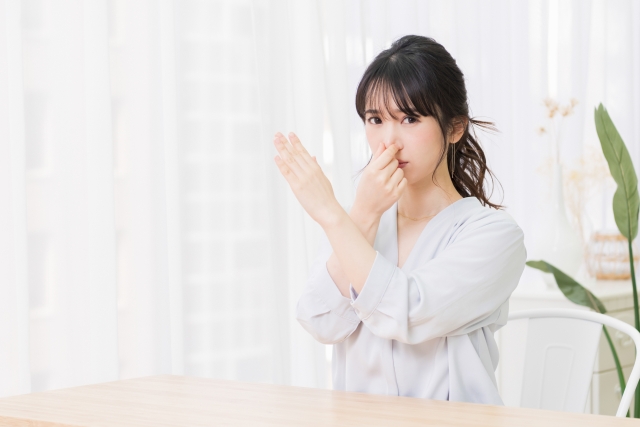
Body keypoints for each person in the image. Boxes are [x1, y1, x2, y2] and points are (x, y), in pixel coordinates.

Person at [272, 35, 526, 405]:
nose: (389, 141)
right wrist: (363, 213)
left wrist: (332, 215)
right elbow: (319, 319)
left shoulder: (495, 238)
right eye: (375, 119)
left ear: (454, 128)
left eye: (409, 118)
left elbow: (407, 312)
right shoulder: (360, 222)